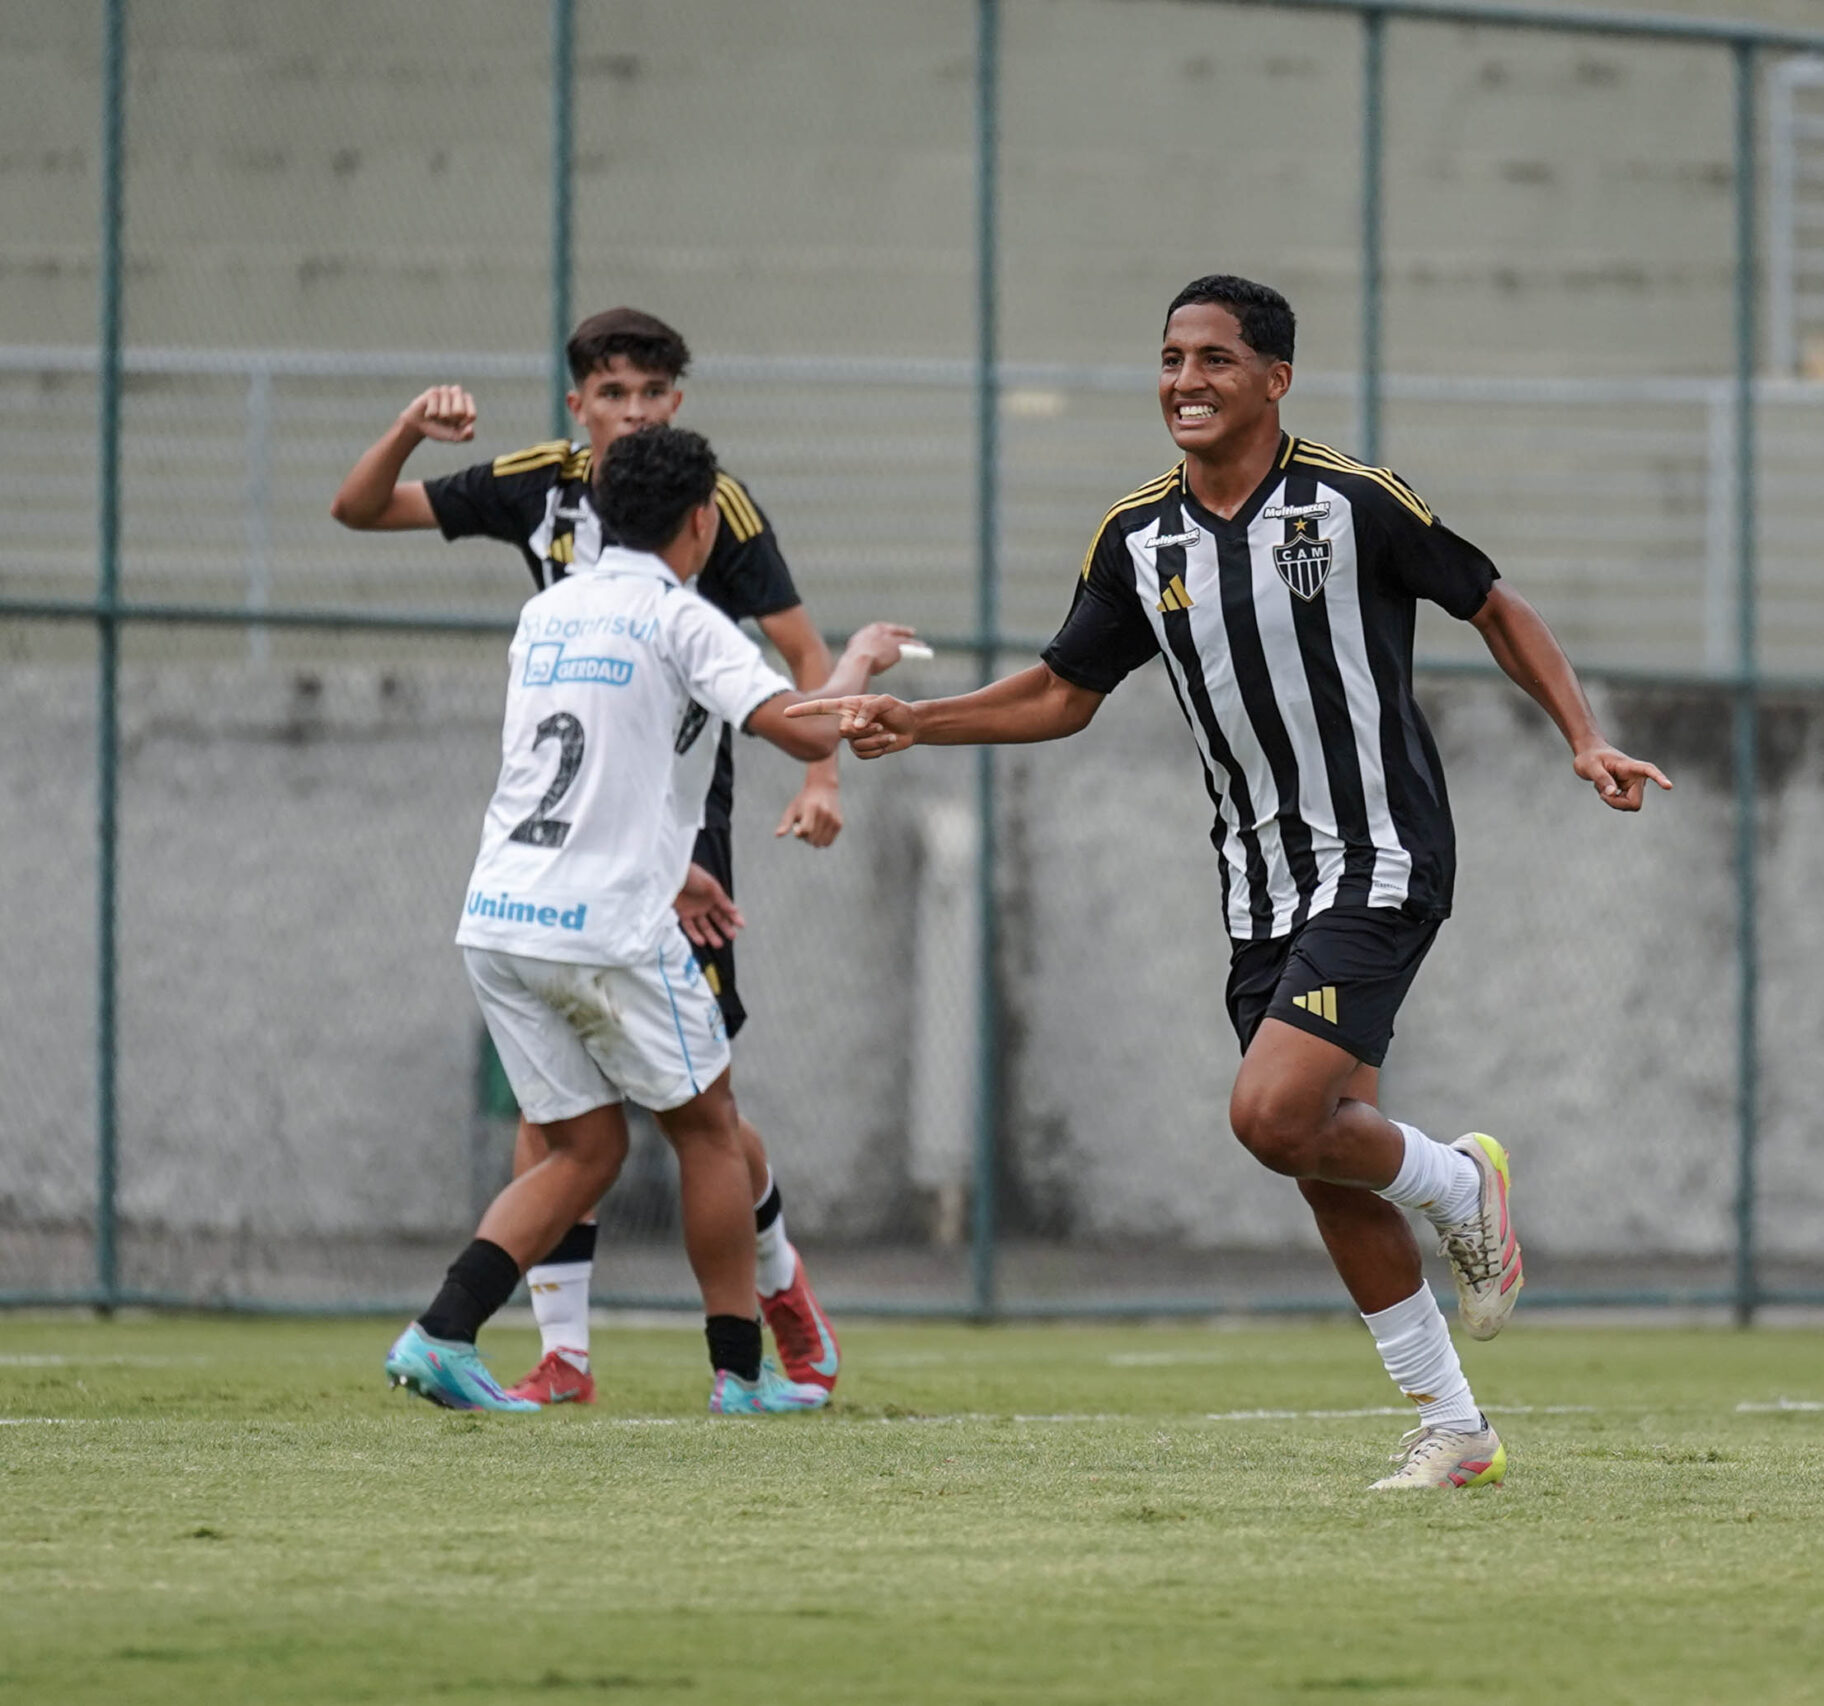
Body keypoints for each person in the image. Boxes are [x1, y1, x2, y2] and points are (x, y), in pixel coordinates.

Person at [792, 275, 1672, 1489]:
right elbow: (1061, 693)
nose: (1184, 382)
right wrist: (922, 719)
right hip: (1258, 885)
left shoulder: (1353, 503)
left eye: (1213, 359)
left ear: (1274, 379)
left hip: (1380, 855)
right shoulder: (1136, 537)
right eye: (1168, 358)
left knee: (1268, 1114)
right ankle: (1457, 1428)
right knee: (1317, 1148)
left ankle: (1463, 1182)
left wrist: (1580, 734)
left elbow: (1493, 602)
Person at [331, 307, 908, 1402]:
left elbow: (588, 758)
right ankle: (743, 1376)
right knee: (706, 1127)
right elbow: (802, 725)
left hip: (503, 912)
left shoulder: (547, 612)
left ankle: (444, 1334)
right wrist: (864, 662)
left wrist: (672, 861)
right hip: (608, 919)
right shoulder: (690, 619)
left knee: (579, 1149)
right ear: (701, 524)